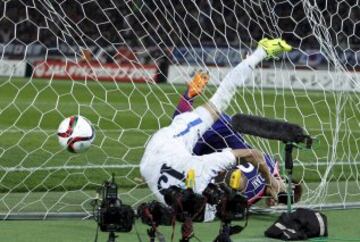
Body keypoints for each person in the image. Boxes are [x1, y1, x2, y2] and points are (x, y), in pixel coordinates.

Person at [140, 38, 293, 220]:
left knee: (220, 99)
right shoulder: (204, 214)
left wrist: (271, 182)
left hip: (169, 141)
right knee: (189, 127)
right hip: (149, 165)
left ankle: (261, 52)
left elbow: (253, 155)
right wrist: (273, 181)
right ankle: (189, 98)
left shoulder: (202, 171)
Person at [173, 71, 302, 207]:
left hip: (224, 129)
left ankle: (189, 97)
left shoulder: (271, 162)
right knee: (178, 140)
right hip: (216, 142)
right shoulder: (251, 196)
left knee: (180, 129)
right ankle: (188, 99)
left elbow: (255, 159)